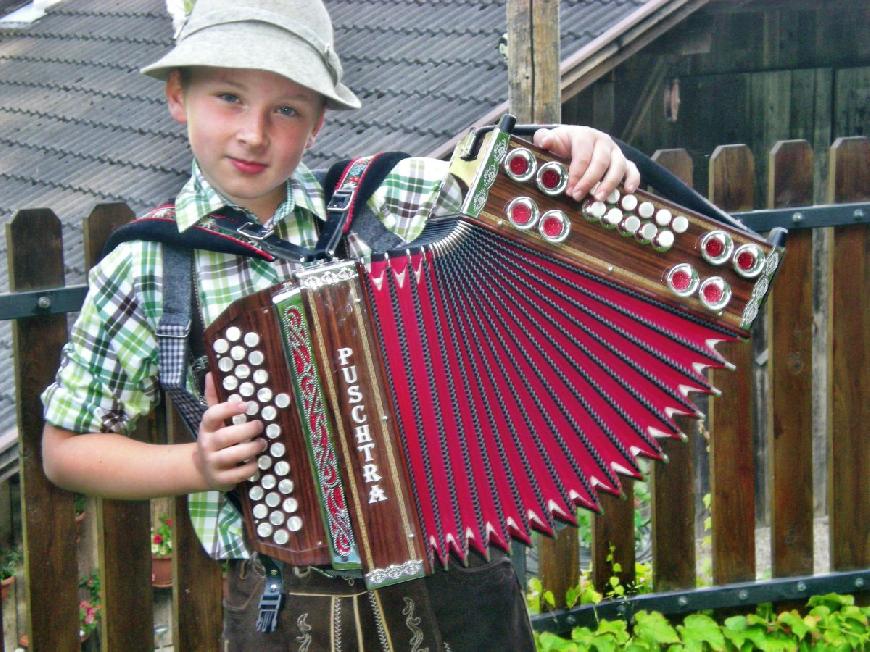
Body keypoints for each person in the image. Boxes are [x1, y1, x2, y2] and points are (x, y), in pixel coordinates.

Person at [40, 0, 640, 649]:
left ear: (319, 122)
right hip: (289, 595)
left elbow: (515, 179)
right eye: (229, 98)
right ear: (177, 97)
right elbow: (64, 452)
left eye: (286, 109)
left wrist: (577, 148)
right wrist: (198, 465)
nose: (253, 133)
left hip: (458, 574)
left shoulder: (388, 198)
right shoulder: (148, 266)